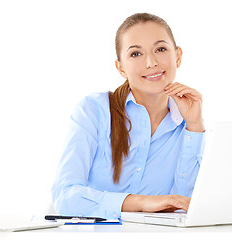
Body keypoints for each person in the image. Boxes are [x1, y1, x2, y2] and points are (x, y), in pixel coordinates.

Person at [51, 13, 206, 219]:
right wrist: (142, 202)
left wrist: (194, 125)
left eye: (160, 49)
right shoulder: (93, 111)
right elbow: (65, 196)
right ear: (121, 67)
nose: (151, 62)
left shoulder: (189, 124)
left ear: (178, 56)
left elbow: (187, 206)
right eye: (135, 54)